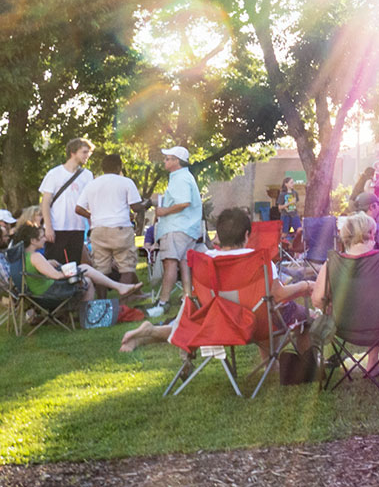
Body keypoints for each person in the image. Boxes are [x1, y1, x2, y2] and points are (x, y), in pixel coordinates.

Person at [119, 206, 314, 353]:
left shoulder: (206, 260)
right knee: (300, 314)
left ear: (218, 236)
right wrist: (306, 285)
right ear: (247, 235)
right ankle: (296, 366)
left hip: (216, 323)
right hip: (254, 325)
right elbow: (278, 295)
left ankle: (149, 332)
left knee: (265, 310)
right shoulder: (258, 261)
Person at [14, 222, 141, 313]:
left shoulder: (25, 256)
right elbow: (57, 276)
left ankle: (88, 314)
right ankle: (91, 313)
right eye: (42, 236)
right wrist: (74, 272)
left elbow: (38, 271)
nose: (45, 238)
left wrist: (48, 263)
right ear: (33, 241)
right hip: (49, 295)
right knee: (85, 270)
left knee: (88, 279)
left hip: (41, 293)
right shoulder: (35, 256)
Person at [148, 146, 205, 322]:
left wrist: (164, 211)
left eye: (168, 158)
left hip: (176, 227)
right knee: (184, 263)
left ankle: (163, 302)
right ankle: (187, 298)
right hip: (187, 228)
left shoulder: (180, 178)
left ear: (176, 161)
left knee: (170, 263)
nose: (165, 161)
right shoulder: (185, 177)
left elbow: (183, 202)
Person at [74, 152, 145, 288]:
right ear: (119, 167)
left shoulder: (92, 184)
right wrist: (146, 205)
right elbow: (135, 207)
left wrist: (92, 216)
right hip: (120, 228)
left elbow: (78, 208)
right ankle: (124, 301)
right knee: (126, 266)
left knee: (101, 269)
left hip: (98, 229)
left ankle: (103, 302)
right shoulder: (126, 182)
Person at [38, 136, 96, 266]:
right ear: (73, 152)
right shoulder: (54, 174)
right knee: (54, 264)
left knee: (73, 265)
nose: (87, 155)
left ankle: (72, 287)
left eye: (89, 152)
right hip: (57, 226)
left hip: (78, 227)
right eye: (84, 152)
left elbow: (90, 202)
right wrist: (48, 227)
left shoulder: (88, 175)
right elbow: (45, 202)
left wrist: (92, 225)